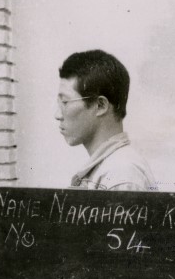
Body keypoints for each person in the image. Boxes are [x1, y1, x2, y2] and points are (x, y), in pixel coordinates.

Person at [54, 49, 156, 191]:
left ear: (100, 105)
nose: (57, 115)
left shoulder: (121, 174)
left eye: (65, 102)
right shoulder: (112, 168)